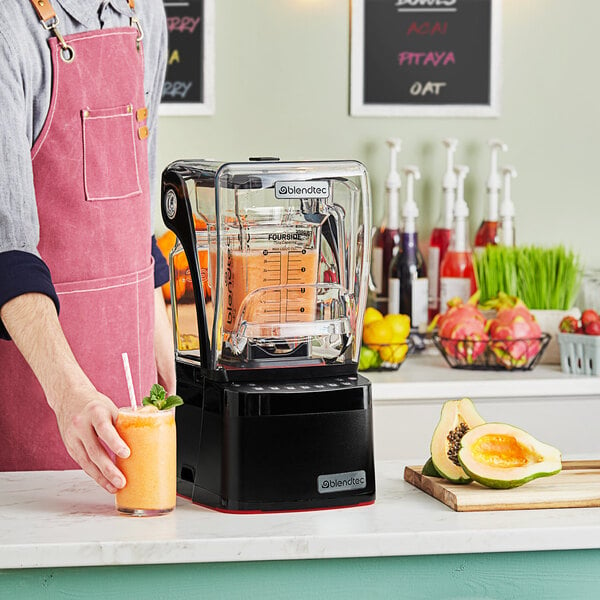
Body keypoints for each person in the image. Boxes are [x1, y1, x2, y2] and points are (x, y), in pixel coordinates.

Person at [0, 0, 175, 495]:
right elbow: (6, 253)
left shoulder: (147, 14)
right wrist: (69, 394)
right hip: (38, 394)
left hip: (134, 387)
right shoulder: (8, 25)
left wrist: (162, 345)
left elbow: (133, 215)